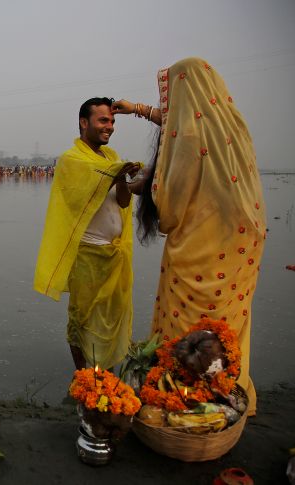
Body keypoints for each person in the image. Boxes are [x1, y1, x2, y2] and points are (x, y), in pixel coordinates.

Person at [111, 57, 265, 415]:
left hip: (203, 245)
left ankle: (184, 398)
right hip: (242, 239)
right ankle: (229, 390)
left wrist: (141, 188)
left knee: (191, 323)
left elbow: (171, 200)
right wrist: (137, 109)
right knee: (227, 322)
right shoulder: (229, 124)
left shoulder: (192, 135)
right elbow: (183, 123)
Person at [33, 97, 141, 371]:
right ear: (84, 122)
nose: (110, 127)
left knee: (112, 314)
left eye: (113, 121)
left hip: (114, 252)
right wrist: (112, 175)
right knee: (82, 316)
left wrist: (122, 178)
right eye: (103, 120)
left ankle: (106, 371)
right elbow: (76, 201)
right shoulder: (72, 160)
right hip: (87, 252)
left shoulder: (112, 158)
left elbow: (124, 203)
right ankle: (83, 375)